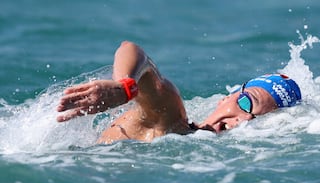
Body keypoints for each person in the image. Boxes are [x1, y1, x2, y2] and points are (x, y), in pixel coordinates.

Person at [57, 41, 301, 144]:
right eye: (248, 104)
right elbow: (133, 52)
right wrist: (125, 88)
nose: (246, 119)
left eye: (262, 119)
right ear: (226, 98)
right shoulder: (170, 117)